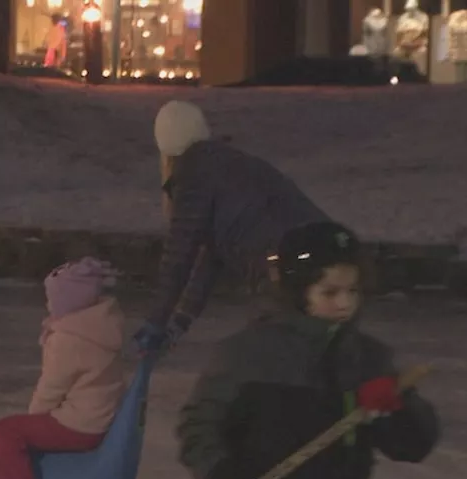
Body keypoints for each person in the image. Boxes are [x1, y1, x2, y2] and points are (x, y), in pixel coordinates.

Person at [169, 221, 439, 479]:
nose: (344, 303)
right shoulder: (249, 354)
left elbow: (414, 446)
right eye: (329, 292)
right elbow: (198, 425)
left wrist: (396, 409)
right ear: (297, 291)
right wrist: (219, 477)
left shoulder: (367, 360)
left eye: (352, 291)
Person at [135, 100, 331, 355]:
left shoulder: (192, 176)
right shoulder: (229, 164)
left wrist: (155, 322)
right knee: (312, 348)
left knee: (273, 356)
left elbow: (178, 258)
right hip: (327, 247)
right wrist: (180, 321)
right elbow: (212, 256)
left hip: (284, 260)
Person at [0, 258, 126, 479]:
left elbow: (50, 391)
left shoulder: (71, 339)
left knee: (5, 430)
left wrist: (24, 429)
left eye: (52, 298)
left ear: (68, 300)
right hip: (99, 416)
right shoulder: (102, 325)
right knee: (8, 434)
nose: (48, 304)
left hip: (80, 424)